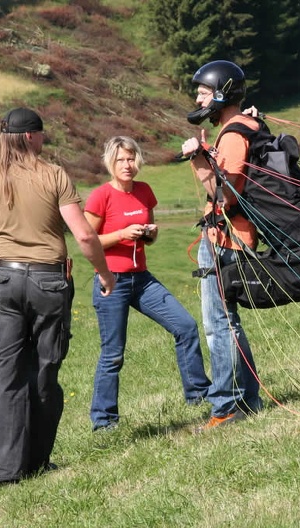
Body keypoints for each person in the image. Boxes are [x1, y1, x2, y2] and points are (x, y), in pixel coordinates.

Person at [0, 107, 116, 487]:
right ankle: (38, 462)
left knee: (5, 377)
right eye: (41, 134)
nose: (44, 140)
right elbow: (86, 236)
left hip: (5, 282)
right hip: (49, 283)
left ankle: (5, 473)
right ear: (29, 137)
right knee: (44, 373)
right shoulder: (54, 174)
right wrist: (105, 274)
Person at [83, 136, 211, 432]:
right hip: (110, 280)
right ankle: (104, 422)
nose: (127, 165)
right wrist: (123, 234)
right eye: (120, 160)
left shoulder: (144, 191)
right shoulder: (101, 196)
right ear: (110, 164)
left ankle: (199, 395)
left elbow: (151, 237)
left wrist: (149, 233)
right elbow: (88, 240)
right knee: (113, 353)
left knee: (186, 327)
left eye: (131, 159)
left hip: (141, 278)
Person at [180, 60, 264, 432]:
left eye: (201, 90)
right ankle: (249, 399)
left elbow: (225, 194)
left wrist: (197, 155)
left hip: (226, 241)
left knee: (219, 326)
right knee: (229, 324)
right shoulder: (246, 125)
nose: (197, 97)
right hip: (231, 238)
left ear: (220, 92)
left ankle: (226, 407)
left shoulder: (232, 134)